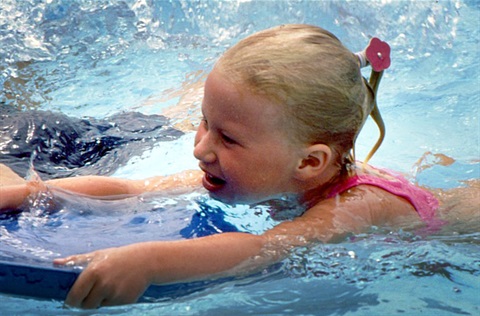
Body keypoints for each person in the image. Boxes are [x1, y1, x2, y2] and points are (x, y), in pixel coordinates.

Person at [0, 24, 444, 308]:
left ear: (309, 162)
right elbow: (137, 189)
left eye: (227, 138)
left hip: (457, 235)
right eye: (204, 123)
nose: (200, 149)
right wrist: (37, 193)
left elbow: (268, 248)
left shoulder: (357, 205)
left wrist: (150, 260)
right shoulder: (256, 169)